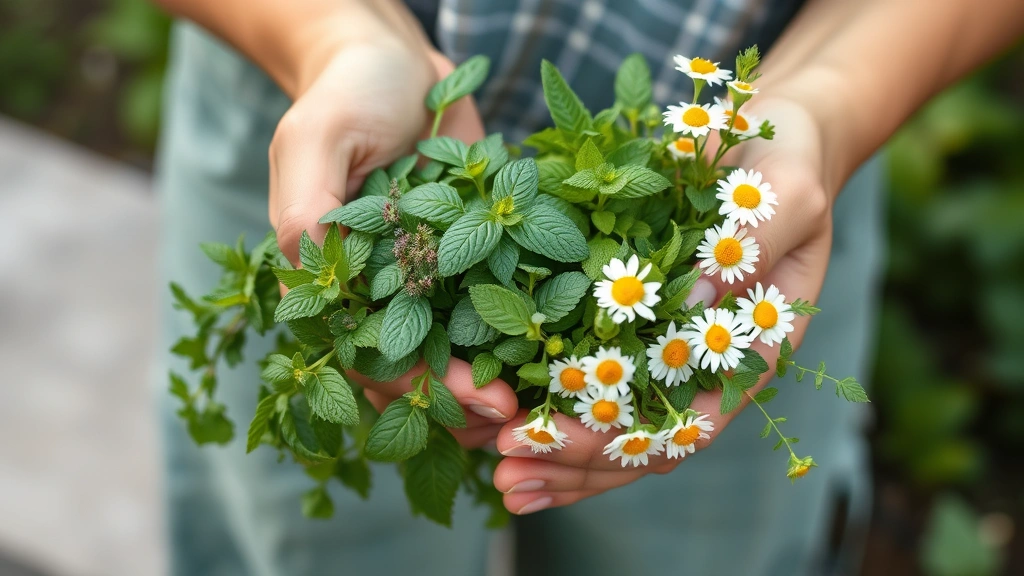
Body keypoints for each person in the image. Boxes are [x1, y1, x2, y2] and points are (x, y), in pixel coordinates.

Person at [150, 0, 1024, 574]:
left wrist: (824, 109)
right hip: (322, 120)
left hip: (751, 197)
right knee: (308, 548)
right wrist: (330, 36)